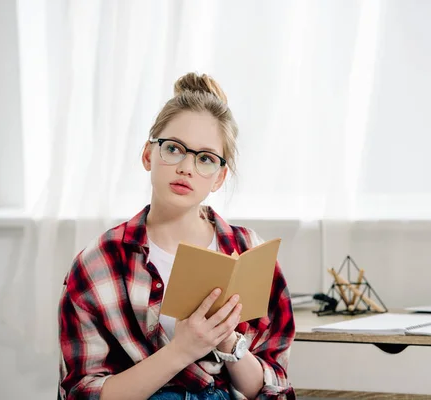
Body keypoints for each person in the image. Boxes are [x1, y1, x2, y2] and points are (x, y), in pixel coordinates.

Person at [58, 73, 296, 400]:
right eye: (174, 149)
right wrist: (181, 350)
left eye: (205, 159)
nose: (186, 167)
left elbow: (272, 388)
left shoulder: (248, 251)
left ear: (219, 178)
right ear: (148, 155)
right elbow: (81, 393)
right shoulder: (98, 263)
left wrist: (228, 341)